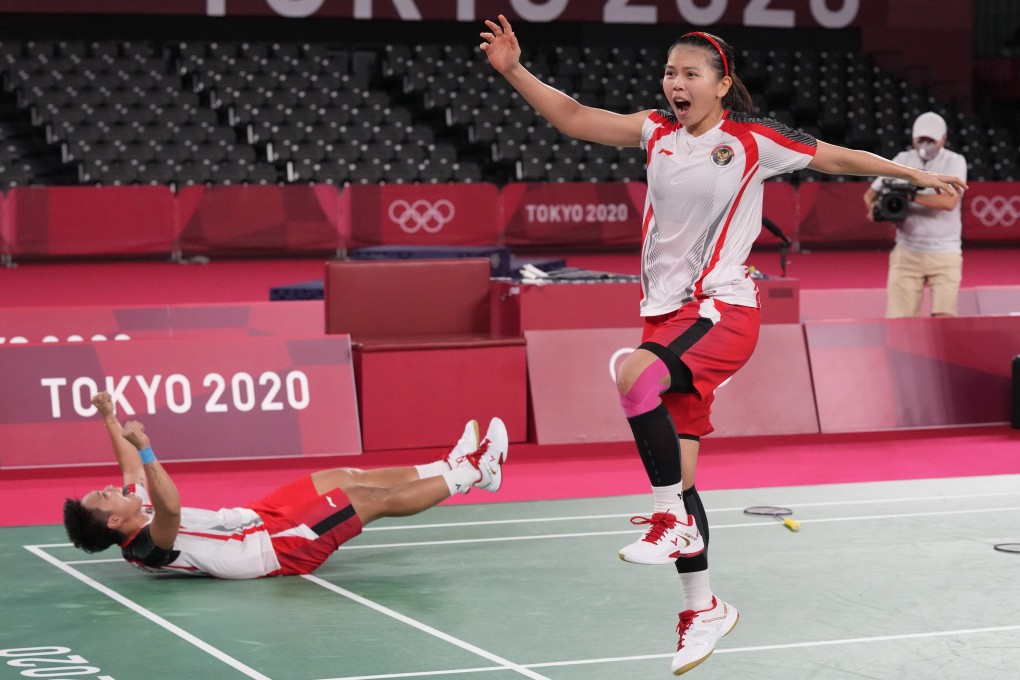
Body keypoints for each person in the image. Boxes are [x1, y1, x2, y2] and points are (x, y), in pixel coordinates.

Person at [478, 16, 966, 676]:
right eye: (669, 73)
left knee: (633, 376)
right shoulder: (656, 131)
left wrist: (912, 177)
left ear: (722, 84)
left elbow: (837, 157)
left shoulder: (752, 140)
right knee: (680, 476)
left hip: (723, 307)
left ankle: (667, 518)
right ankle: (702, 606)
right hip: (666, 317)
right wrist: (513, 70)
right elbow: (574, 117)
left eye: (690, 74)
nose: (675, 83)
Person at [63, 392, 507, 579]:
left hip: (253, 518)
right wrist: (147, 448)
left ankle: (445, 465)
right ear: (115, 521)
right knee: (368, 500)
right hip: (274, 547)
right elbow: (171, 508)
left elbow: (131, 473)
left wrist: (109, 417)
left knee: (344, 477)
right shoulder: (147, 545)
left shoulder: (130, 512)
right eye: (105, 495)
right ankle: (475, 472)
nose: (112, 488)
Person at [863, 111, 968, 318]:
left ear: (943, 139)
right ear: (913, 139)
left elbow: (948, 202)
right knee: (900, 321)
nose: (925, 145)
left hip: (945, 253)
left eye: (931, 140)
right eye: (921, 139)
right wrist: (875, 209)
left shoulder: (955, 161)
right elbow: (869, 194)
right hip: (907, 253)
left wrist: (910, 197)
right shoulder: (902, 160)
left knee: (944, 321)